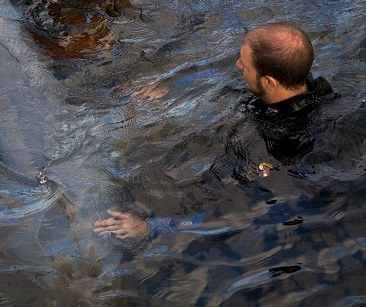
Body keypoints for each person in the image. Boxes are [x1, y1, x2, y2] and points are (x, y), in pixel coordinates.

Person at [93, 22, 336, 239]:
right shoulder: (301, 82)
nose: (237, 65)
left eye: (245, 64)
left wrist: (153, 225)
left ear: (270, 82)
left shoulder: (280, 149)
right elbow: (216, 71)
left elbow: (231, 215)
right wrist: (168, 84)